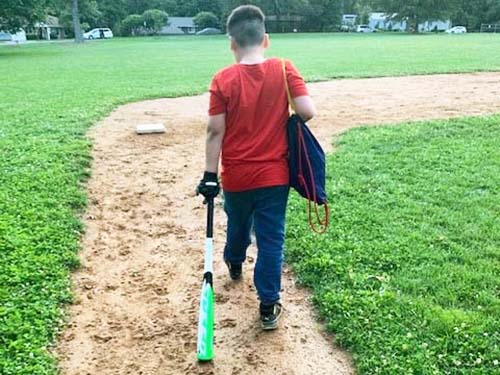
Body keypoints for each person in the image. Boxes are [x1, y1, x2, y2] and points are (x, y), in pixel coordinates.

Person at [196, 5, 315, 330]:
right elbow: (307, 110)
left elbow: (214, 130)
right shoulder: (283, 68)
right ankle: (267, 304)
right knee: (271, 238)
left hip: (236, 176)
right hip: (274, 176)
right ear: (266, 39)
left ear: (232, 43)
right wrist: (284, 120)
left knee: (237, 224)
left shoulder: (223, 78)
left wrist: (209, 175)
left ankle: (234, 261)